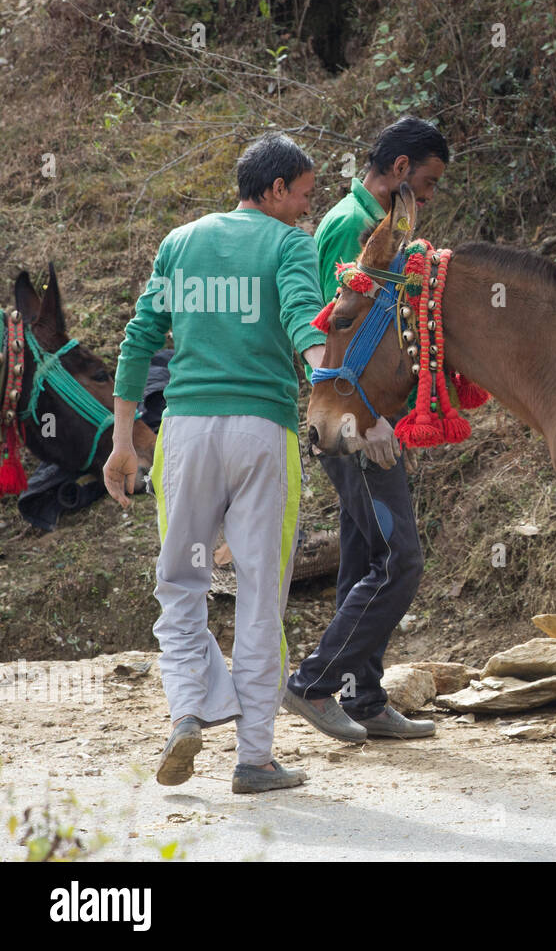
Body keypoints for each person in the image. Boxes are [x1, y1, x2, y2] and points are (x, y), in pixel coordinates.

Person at [103, 132, 328, 794]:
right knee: (261, 595)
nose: (308, 211)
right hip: (261, 432)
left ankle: (188, 711)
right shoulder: (291, 245)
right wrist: (329, 381)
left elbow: (140, 337)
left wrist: (122, 443)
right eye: (304, 196)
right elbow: (301, 319)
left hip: (188, 433)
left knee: (181, 582)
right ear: (275, 189)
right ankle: (254, 760)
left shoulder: (181, 242)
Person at [281, 117, 448, 742]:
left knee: (363, 558)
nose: (427, 198)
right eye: (426, 182)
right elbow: (331, 335)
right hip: (352, 422)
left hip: (363, 416)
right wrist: (372, 420)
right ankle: (314, 684)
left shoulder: (382, 226)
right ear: (400, 169)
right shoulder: (351, 228)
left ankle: (366, 697)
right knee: (398, 559)